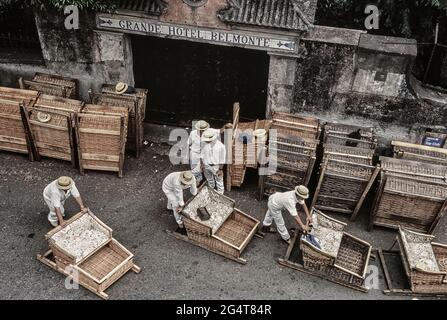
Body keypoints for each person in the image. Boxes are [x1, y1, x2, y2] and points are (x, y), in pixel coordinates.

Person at [200, 129, 226, 194]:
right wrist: (202, 164)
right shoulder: (204, 144)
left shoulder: (221, 146)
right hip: (206, 165)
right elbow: (201, 155)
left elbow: (222, 160)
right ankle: (211, 189)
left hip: (216, 166)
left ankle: (220, 194)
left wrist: (220, 169)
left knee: (219, 181)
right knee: (209, 179)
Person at [188, 120, 210, 185]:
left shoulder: (208, 135)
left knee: (204, 168)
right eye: (201, 129)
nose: (203, 131)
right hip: (194, 153)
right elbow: (189, 143)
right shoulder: (193, 133)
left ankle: (206, 179)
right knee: (195, 168)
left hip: (204, 154)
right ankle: (197, 180)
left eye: (204, 129)